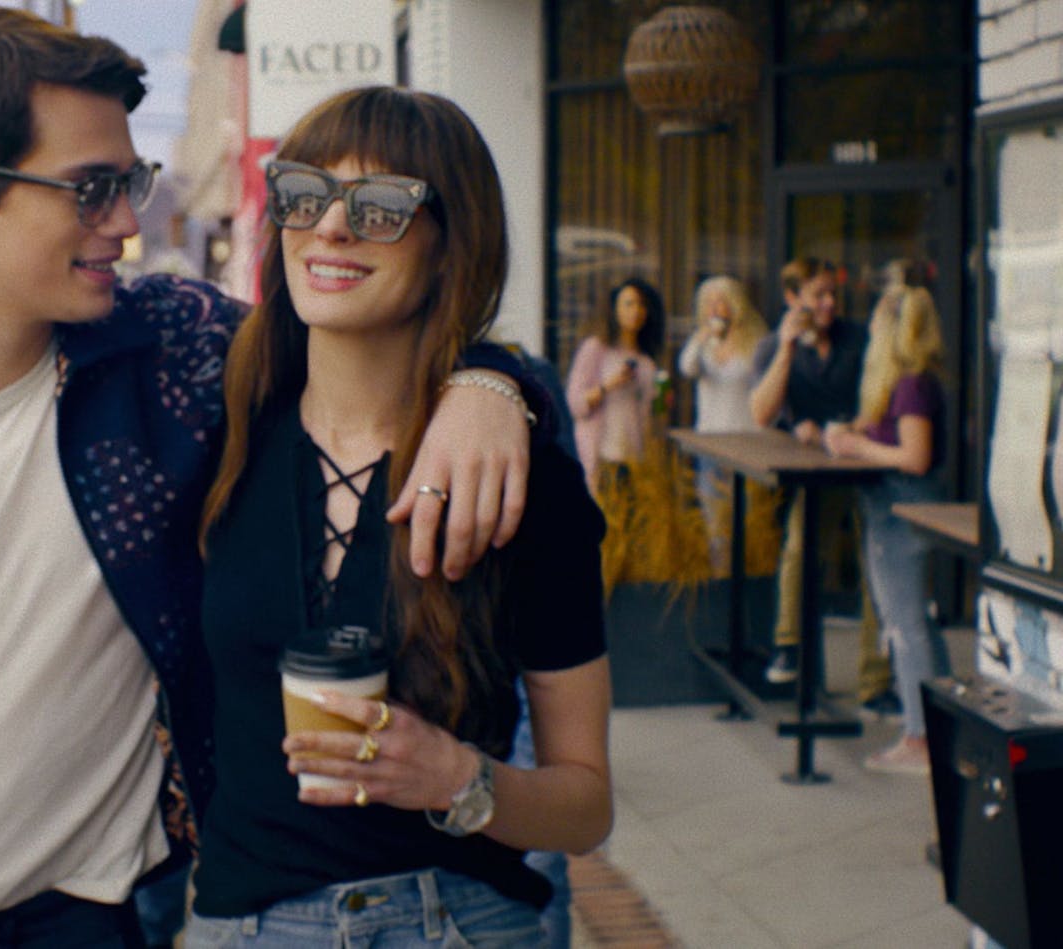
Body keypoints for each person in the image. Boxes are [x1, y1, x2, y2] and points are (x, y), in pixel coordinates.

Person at [0, 10, 541, 947]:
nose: (128, 219)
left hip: (126, 915)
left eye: (132, 181)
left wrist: (490, 381)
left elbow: (377, 342)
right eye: (92, 189)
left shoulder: (175, 358)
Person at [186, 87, 613, 947]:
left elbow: (585, 804)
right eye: (304, 194)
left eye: (380, 207)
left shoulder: (524, 484)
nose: (331, 229)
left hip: (455, 919)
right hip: (247, 925)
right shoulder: (215, 433)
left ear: (452, 244)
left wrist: (460, 778)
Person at [748, 258, 892, 710]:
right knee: (799, 545)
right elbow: (761, 413)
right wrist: (788, 349)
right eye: (818, 295)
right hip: (816, 470)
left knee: (876, 568)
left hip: (867, 463)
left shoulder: (859, 339)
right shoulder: (773, 345)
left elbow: (883, 397)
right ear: (794, 299)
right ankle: (789, 646)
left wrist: (851, 428)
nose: (829, 303)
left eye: (833, 293)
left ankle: (876, 685)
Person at [824, 286, 951, 774]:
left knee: (905, 624)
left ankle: (919, 738)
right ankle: (933, 727)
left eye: (876, 323)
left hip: (902, 507)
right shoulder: (905, 382)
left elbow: (914, 458)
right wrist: (846, 435)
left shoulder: (912, 385)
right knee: (913, 621)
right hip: (894, 507)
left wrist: (857, 449)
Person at [677, 274, 767, 567]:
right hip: (711, 442)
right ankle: (722, 577)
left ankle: (752, 575)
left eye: (722, 301)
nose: (716, 308)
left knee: (750, 517)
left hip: (747, 440)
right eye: (710, 302)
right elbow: (686, 368)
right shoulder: (702, 343)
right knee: (715, 520)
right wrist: (702, 339)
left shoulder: (756, 339)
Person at [565, 278, 665, 496]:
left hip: (636, 457)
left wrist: (663, 401)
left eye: (641, 305)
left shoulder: (647, 362)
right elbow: (575, 405)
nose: (636, 311)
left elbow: (654, 414)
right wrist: (609, 384)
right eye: (629, 304)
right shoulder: (596, 349)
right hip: (603, 455)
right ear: (615, 309)